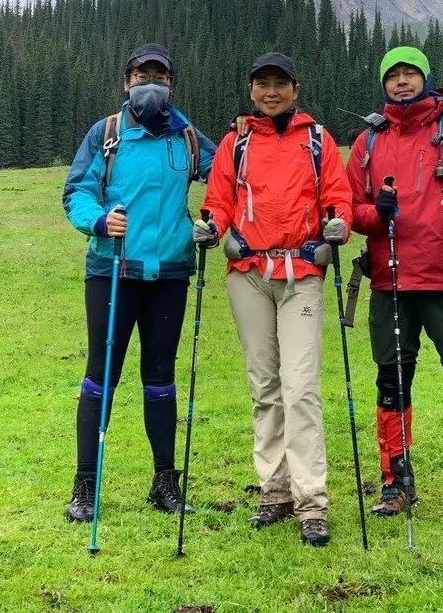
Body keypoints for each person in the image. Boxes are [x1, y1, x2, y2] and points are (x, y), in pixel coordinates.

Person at [194, 52, 352, 547]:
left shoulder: (317, 140)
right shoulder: (235, 143)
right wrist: (211, 225)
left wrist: (339, 223)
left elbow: (339, 197)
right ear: (251, 90)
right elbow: (219, 201)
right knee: (264, 384)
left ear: (295, 90)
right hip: (249, 274)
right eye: (262, 84)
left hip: (302, 272)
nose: (271, 92)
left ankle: (311, 501)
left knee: (300, 386)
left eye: (280, 84)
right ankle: (275, 489)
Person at [62, 44, 216, 523]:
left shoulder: (187, 137)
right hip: (112, 272)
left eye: (160, 75)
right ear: (126, 81)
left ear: (172, 83)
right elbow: (76, 193)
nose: (150, 82)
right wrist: (100, 220)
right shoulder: (105, 133)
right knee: (100, 377)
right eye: (141, 75)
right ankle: (85, 486)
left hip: (169, 273)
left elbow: (228, 176)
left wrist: (215, 221)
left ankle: (164, 483)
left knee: (160, 380)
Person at [345, 46, 443, 529]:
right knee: (391, 384)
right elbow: (351, 210)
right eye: (394, 76)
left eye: (411, 74)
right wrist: (378, 214)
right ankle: (394, 483)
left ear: (426, 78)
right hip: (390, 281)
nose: (403, 82)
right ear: (383, 84)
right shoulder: (368, 141)